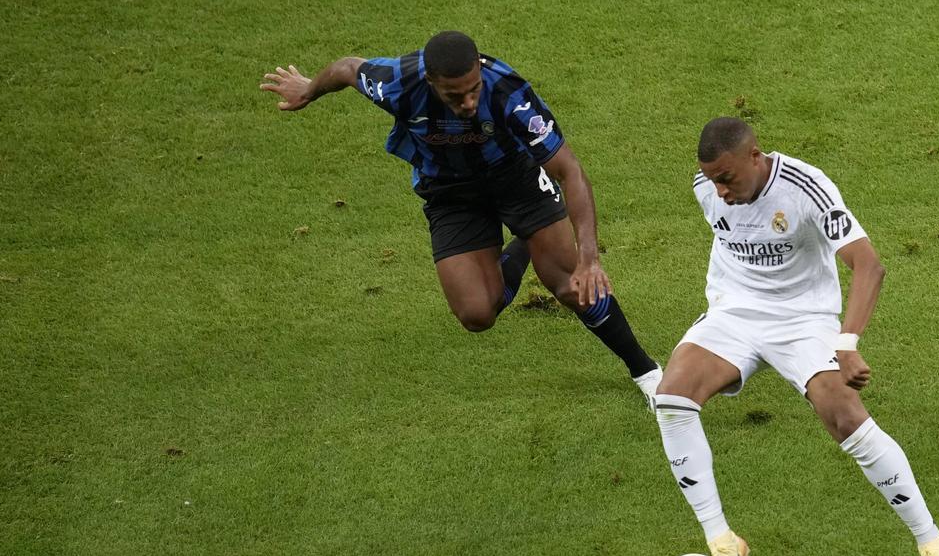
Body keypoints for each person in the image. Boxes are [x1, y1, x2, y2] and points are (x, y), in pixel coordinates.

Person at [259, 31, 661, 403]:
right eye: (455, 95)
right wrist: (309, 90)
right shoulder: (398, 83)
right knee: (476, 314)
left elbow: (570, 170)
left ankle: (646, 372)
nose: (468, 102)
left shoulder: (507, 91)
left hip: (516, 180)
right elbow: (347, 68)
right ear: (431, 82)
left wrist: (589, 257)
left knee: (571, 285)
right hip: (450, 193)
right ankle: (525, 244)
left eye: (473, 89)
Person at [654, 117, 939, 556]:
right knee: (671, 397)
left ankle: (934, 542)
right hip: (735, 313)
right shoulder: (706, 188)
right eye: (712, 179)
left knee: (842, 413)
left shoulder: (806, 187)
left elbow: (868, 264)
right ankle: (722, 543)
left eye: (728, 178)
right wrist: (718, 189)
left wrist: (846, 343)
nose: (721, 191)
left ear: (755, 157)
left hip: (803, 320)